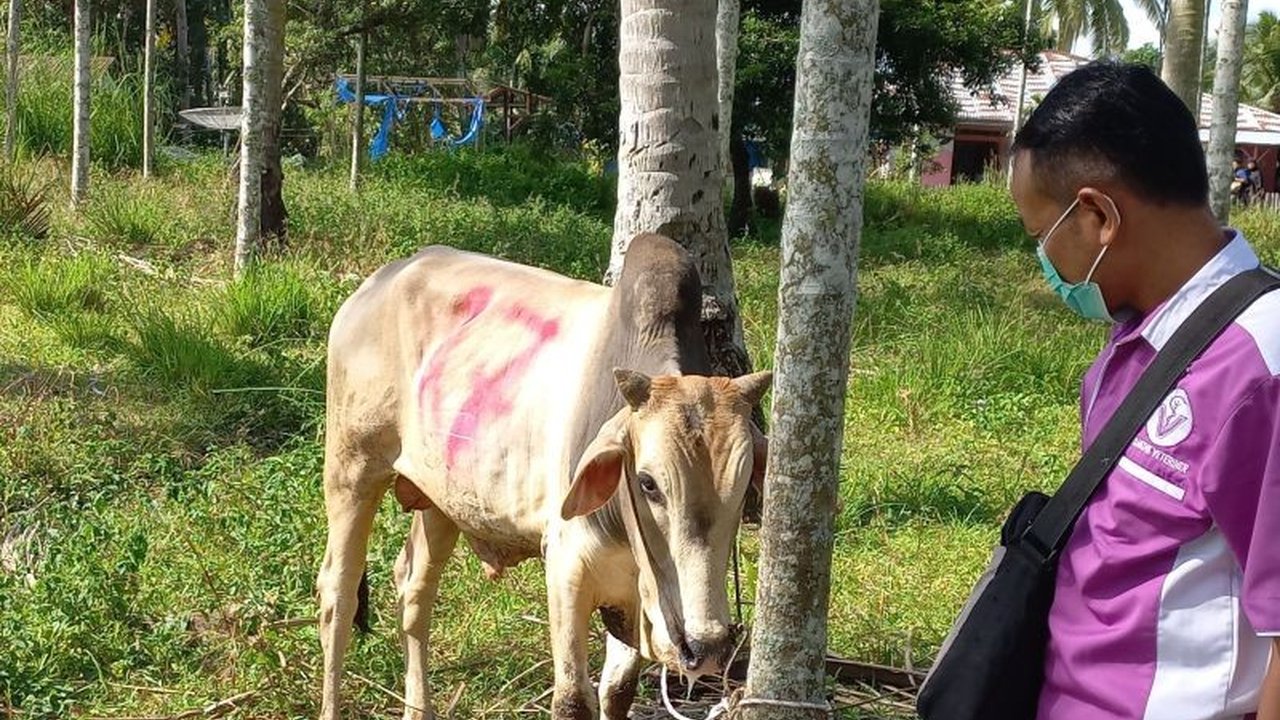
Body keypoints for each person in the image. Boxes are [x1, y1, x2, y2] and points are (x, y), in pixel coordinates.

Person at [1010, 61, 1280, 720]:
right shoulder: (1137, 337)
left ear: (1098, 215)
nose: (1043, 264)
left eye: (1038, 238)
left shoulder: (1261, 364)